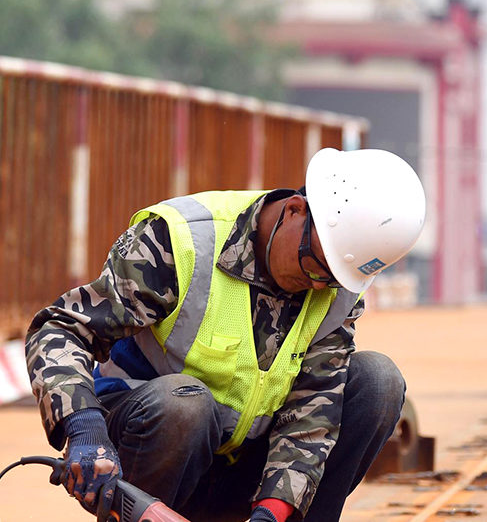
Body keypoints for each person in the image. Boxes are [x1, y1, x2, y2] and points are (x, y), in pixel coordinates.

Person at [25, 148, 427, 522]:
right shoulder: (181, 242)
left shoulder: (334, 289)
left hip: (246, 463)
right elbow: (60, 330)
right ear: (294, 211)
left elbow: (312, 412)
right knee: (185, 405)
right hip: (155, 446)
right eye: (316, 267)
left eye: (335, 279)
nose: (320, 287)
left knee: (377, 381)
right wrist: (84, 429)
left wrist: (272, 512)